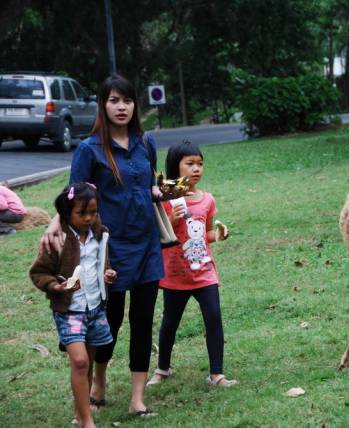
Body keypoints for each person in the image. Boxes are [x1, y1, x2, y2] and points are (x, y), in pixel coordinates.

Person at [40, 74, 163, 417]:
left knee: (143, 319)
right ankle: (100, 380)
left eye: (126, 100)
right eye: (113, 100)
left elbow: (148, 186)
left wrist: (164, 192)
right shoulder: (89, 149)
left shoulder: (146, 143)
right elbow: (72, 195)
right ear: (103, 105)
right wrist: (54, 224)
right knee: (109, 321)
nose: (121, 107)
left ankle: (138, 397)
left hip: (148, 243)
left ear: (135, 104)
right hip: (110, 248)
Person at [146, 141, 238, 387]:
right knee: (169, 323)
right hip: (176, 275)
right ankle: (162, 368)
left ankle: (216, 374)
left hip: (204, 273)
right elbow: (159, 235)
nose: (196, 169)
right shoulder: (165, 198)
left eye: (200, 164)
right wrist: (172, 219)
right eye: (190, 163)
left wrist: (217, 235)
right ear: (176, 167)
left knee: (214, 318)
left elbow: (204, 234)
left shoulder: (207, 200)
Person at [30, 183, 117, 428]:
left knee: (87, 363)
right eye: (82, 213)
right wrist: (57, 287)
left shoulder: (100, 232)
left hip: (94, 307)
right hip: (70, 310)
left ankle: (80, 415)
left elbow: (101, 262)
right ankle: (87, 421)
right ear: (67, 213)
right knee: (79, 361)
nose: (89, 218)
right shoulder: (57, 240)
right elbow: (39, 273)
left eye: (93, 212)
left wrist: (107, 273)